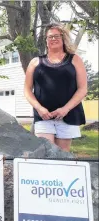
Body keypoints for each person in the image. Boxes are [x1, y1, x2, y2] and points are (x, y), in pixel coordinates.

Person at [24, 23, 87, 152]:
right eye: (50, 37)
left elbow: (83, 89)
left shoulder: (75, 60)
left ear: (63, 39)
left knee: (62, 155)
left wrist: (65, 109)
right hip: (43, 116)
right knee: (47, 152)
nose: (53, 39)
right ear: (46, 41)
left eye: (57, 36)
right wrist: (39, 108)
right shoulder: (35, 62)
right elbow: (27, 90)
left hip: (68, 116)